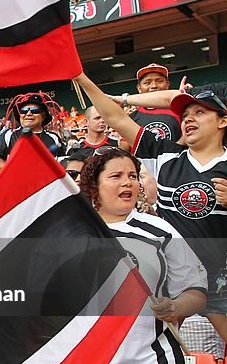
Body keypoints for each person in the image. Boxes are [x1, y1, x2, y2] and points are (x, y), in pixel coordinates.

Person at [76, 72, 227, 343]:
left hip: (221, 283)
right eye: (185, 114)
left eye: (200, 112)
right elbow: (116, 118)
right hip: (177, 283)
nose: (188, 118)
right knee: (175, 359)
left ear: (223, 120)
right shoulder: (165, 156)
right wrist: (82, 77)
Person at [77, 148, 206, 364]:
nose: (127, 182)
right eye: (116, 176)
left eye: (133, 176)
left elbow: (196, 291)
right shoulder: (70, 233)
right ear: (94, 185)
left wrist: (175, 306)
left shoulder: (160, 230)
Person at [0, 93, 65, 170]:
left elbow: (63, 161)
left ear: (43, 116)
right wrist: (16, 170)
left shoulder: (54, 138)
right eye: (23, 111)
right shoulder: (9, 135)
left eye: (34, 110)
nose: (28, 113)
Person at [128, 63, 181, 143]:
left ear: (167, 84)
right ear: (139, 88)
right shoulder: (131, 118)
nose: (154, 86)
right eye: (147, 83)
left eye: (159, 81)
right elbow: (126, 147)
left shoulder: (180, 110)